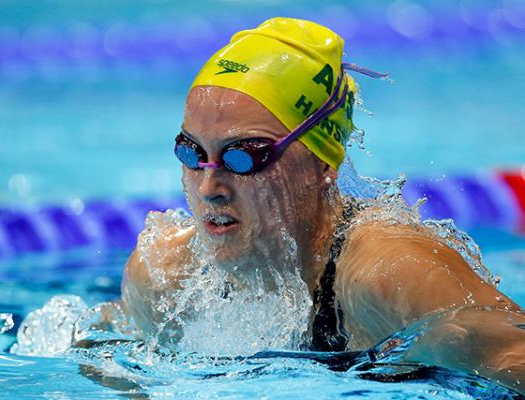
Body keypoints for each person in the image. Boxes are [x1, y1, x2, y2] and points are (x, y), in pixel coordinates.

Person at [119, 17, 525, 392]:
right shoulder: (165, 278)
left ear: (322, 162)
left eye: (244, 156)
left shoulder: (388, 275)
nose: (209, 187)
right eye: (191, 154)